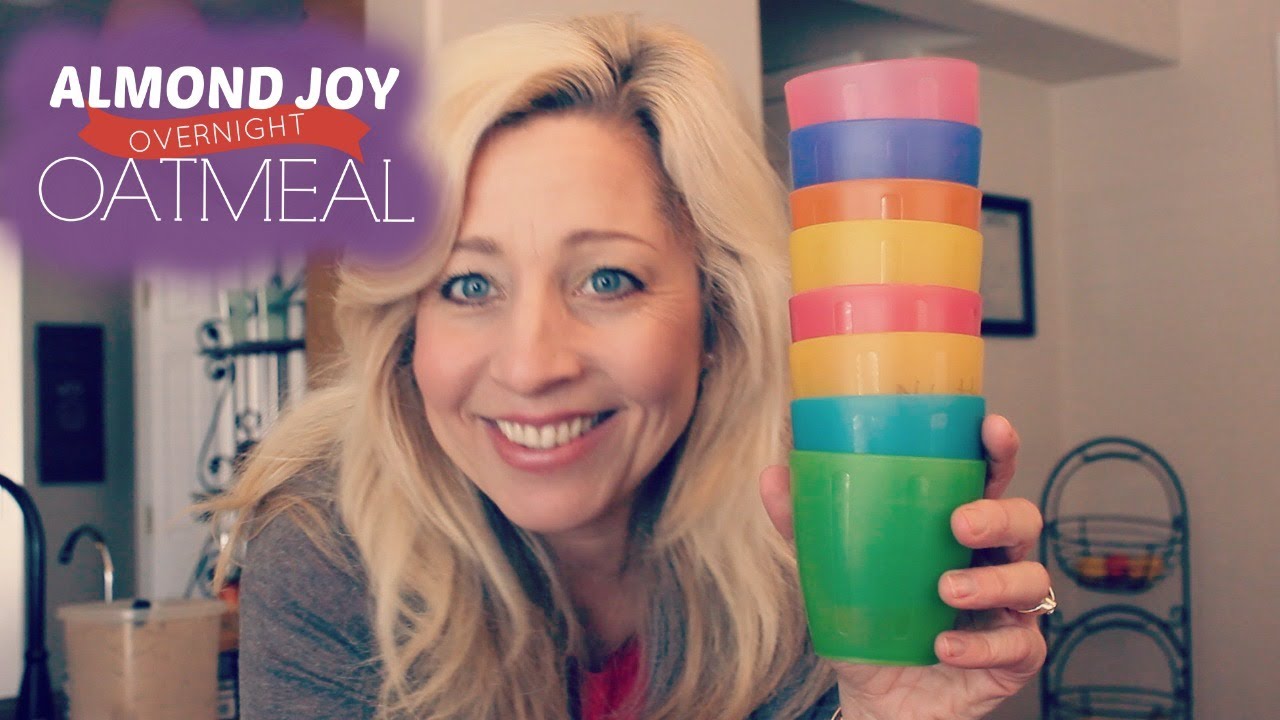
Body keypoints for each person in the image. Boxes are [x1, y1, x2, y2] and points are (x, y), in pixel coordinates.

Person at [209, 13, 1050, 720]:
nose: (533, 366)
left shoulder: (817, 536)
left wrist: (887, 711)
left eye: (608, 280)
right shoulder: (329, 549)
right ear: (408, 332)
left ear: (717, 315)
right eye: (468, 285)